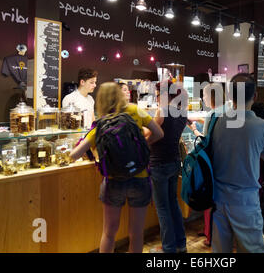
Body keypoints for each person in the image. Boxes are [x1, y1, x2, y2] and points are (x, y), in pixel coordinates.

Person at [70, 82, 164, 253]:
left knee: (109, 232)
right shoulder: (135, 111)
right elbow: (159, 133)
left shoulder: (101, 123)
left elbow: (75, 154)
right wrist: (142, 145)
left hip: (114, 181)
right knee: (136, 232)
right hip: (140, 177)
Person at [210, 73, 264, 253]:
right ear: (255, 96)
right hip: (246, 200)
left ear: (230, 96)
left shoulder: (219, 122)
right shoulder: (262, 126)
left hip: (219, 198)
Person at [148, 80, 189, 253]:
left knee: (163, 207)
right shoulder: (183, 113)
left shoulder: (162, 111)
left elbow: (152, 135)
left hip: (159, 163)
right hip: (174, 161)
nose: (157, 98)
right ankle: (181, 244)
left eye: (158, 95)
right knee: (173, 204)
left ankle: (168, 248)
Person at [188, 82, 226, 248]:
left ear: (211, 97)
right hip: (224, 160)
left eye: (204, 95)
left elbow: (205, 140)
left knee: (209, 198)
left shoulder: (212, 114)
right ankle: (210, 230)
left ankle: (210, 235)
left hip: (212, 162)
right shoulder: (228, 110)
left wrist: (194, 130)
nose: (203, 98)